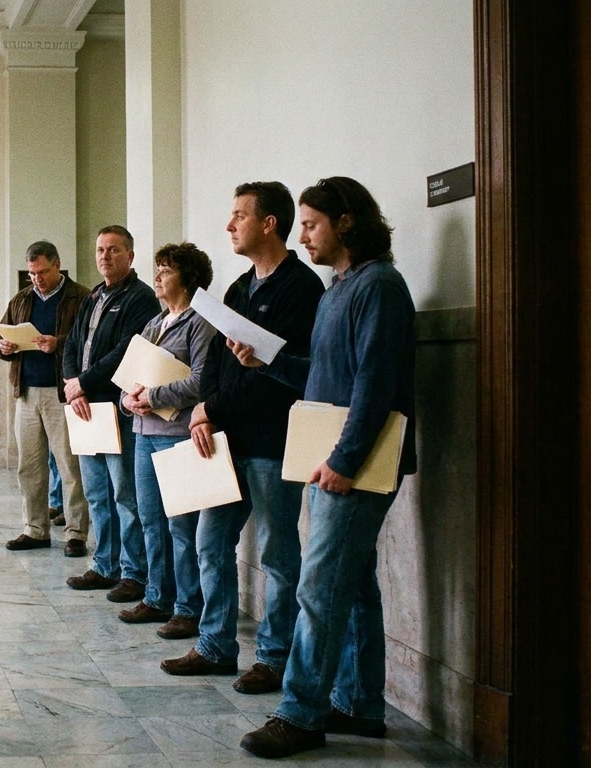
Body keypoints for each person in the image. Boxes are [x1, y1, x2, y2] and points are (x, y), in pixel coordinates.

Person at [234, 177, 416, 759]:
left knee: (318, 586)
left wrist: (343, 460)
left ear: (346, 222)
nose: (303, 235)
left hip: (354, 461)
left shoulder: (380, 286)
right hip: (334, 455)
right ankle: (361, 704)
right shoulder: (341, 287)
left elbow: (375, 384)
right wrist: (269, 361)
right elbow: (322, 374)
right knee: (354, 584)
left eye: (311, 224)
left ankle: (301, 712)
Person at [158, 182, 324, 692]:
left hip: (273, 442)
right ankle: (215, 646)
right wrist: (204, 409)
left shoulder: (302, 288)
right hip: (225, 442)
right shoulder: (236, 290)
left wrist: (216, 406)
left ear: (268, 223)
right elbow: (217, 367)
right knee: (211, 543)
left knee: (277, 555)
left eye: (238, 216)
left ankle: (274, 658)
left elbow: (279, 376)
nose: (229, 226)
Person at [116, 243, 215, 629]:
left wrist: (152, 395)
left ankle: (188, 607)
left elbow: (201, 379)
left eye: (166, 271)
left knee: (181, 525)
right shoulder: (154, 325)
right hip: (144, 432)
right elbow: (130, 377)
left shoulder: (199, 323)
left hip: (178, 434)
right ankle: (157, 596)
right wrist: (128, 400)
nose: (157, 277)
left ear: (188, 279)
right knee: (150, 519)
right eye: (156, 270)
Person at [61, 226, 160, 599]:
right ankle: (104, 565)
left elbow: (124, 351)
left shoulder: (141, 299)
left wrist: (84, 382)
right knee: (97, 494)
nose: (105, 256)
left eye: (114, 250)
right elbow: (72, 342)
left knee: (124, 496)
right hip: (86, 408)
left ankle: (133, 573)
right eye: (100, 249)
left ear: (130, 256)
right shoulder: (94, 295)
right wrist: (74, 386)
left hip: (116, 408)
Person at [0, 241, 92, 556]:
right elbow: (3, 336)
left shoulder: (80, 296)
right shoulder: (22, 299)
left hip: (61, 393)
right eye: (32, 274)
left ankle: (76, 533)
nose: (37, 279)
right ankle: (35, 529)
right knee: (30, 465)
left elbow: (87, 342)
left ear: (57, 264)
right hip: (26, 392)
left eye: (43, 272)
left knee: (69, 464)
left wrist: (58, 343)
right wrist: (4, 347)